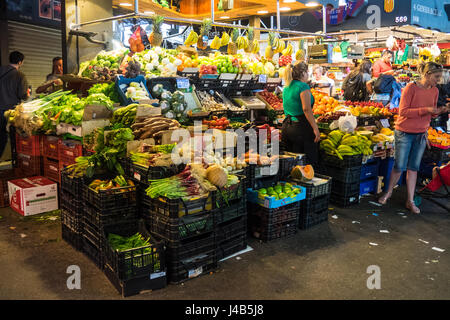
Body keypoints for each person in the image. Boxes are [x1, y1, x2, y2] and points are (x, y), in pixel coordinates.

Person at [378, 62, 449, 214]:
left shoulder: (435, 91)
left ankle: (410, 200)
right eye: (436, 77)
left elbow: (431, 113)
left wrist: (439, 111)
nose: (438, 80)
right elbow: (403, 112)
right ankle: (388, 193)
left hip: (422, 133)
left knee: (413, 167)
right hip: (404, 132)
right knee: (399, 165)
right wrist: (427, 109)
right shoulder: (411, 88)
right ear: (427, 74)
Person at [281, 61, 320, 165]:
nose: (308, 75)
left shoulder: (287, 86)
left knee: (291, 162)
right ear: (303, 73)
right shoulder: (303, 87)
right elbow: (306, 109)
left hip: (287, 127)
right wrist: (315, 128)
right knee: (306, 163)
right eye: (308, 72)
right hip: (300, 129)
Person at [0, 51, 29, 158]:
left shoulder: (1, 70)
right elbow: (23, 95)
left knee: (1, 135)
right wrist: (27, 93)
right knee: (12, 135)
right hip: (10, 111)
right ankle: (14, 159)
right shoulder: (20, 75)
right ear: (20, 62)